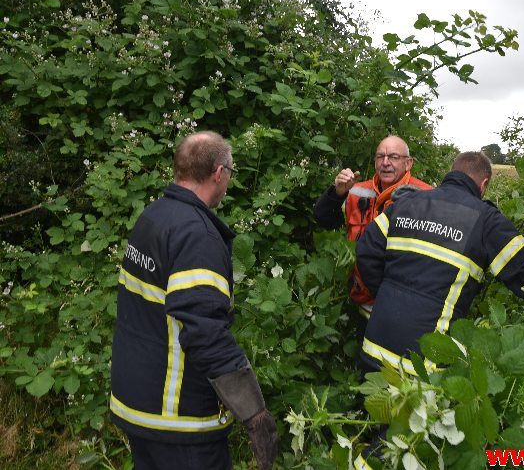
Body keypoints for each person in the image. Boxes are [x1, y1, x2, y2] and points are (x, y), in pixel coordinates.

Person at [110, 131, 278, 470]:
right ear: (218, 173)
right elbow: (204, 330)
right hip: (177, 418)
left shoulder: (153, 217)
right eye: (230, 171)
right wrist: (253, 412)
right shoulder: (196, 236)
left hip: (135, 401)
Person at [355, 151, 524, 376]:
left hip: (374, 351)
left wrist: (388, 293)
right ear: (483, 185)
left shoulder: (406, 203)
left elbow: (366, 251)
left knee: (373, 410)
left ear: (451, 173)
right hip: (424, 367)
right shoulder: (486, 220)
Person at [314, 135, 432, 321]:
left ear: (408, 163)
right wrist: (337, 192)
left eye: (393, 157)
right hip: (362, 303)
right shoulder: (355, 191)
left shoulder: (427, 196)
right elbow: (324, 219)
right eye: (380, 156)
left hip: (404, 308)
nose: (385, 163)